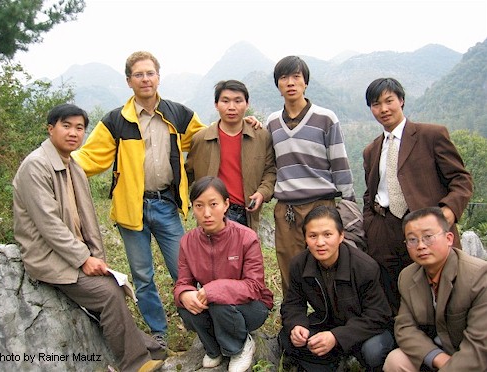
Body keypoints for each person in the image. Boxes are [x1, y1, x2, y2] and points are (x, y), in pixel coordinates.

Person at [72, 52, 261, 343]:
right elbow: (89, 157)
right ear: (128, 81)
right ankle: (159, 332)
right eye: (138, 74)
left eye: (150, 73)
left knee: (184, 270)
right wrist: (53, 162)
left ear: (158, 77)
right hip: (130, 209)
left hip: (166, 204)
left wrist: (247, 124)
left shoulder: (178, 115)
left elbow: (211, 136)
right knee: (143, 276)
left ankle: (203, 323)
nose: (145, 79)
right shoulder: (116, 121)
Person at [13, 103, 164, 372]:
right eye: (66, 126)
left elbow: (88, 220)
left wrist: (97, 257)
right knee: (107, 293)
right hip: (49, 257)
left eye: (80, 128)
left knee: (112, 285)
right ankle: (135, 362)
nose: (73, 133)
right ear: (51, 129)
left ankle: (150, 348)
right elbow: (49, 225)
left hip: (72, 254)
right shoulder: (36, 166)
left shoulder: (73, 166)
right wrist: (84, 259)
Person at [362, 77, 473, 314]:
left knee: (441, 290)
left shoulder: (431, 136)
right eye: (376, 104)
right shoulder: (371, 150)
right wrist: (371, 225)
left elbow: (461, 179)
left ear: (401, 101)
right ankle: (398, 342)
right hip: (385, 230)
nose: (383, 109)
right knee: (393, 293)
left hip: (426, 228)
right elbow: (369, 193)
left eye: (389, 101)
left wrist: (448, 213)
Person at [266, 55, 356, 295]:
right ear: (278, 85)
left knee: (328, 265)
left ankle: (331, 323)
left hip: (321, 205)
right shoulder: (272, 122)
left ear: (306, 82)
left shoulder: (326, 118)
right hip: (286, 209)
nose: (291, 82)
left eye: (296, 77)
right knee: (289, 268)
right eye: (284, 78)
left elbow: (339, 161)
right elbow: (271, 165)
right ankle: (292, 324)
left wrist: (348, 201)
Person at [173, 176, 273, 372]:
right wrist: (184, 294)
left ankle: (240, 347)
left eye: (213, 204)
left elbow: (254, 286)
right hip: (215, 304)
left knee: (219, 303)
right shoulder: (188, 242)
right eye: (199, 206)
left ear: (226, 204)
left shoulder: (246, 237)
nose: (207, 213)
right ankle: (214, 349)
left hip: (251, 307)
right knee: (187, 308)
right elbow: (183, 282)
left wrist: (215, 289)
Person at [279, 205, 394, 372]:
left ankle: (339, 359)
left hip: (361, 329)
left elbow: (378, 315)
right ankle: (334, 362)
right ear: (305, 238)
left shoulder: (364, 267)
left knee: (373, 351)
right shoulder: (299, 264)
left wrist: (337, 337)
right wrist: (297, 325)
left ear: (341, 236)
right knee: (288, 337)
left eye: (327, 235)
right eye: (312, 236)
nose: (320, 243)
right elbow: (293, 304)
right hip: (326, 323)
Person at [383, 207, 487, 371]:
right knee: (396, 360)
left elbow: (480, 346)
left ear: (449, 238)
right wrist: (436, 358)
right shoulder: (408, 276)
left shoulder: (478, 276)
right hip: (438, 353)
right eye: (412, 239)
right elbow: (404, 328)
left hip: (473, 358)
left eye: (428, 237)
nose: (421, 245)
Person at [185, 79, 276, 231]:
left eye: (238, 101)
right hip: (212, 214)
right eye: (225, 101)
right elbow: (186, 175)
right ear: (216, 105)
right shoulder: (201, 139)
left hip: (246, 214)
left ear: (247, 104)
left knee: (244, 255)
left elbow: (270, 171)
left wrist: (262, 193)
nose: (231, 107)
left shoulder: (261, 137)